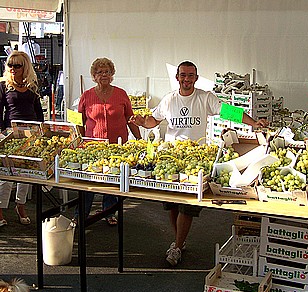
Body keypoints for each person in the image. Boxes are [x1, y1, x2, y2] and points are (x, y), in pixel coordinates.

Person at [129, 60, 268, 266]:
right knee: (172, 204)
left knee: (187, 206)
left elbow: (229, 111)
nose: (187, 79)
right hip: (172, 157)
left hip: (196, 158)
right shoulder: (169, 100)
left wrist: (253, 122)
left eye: (191, 75)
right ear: (177, 77)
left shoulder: (205, 98)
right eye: (183, 75)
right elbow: (154, 121)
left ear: (196, 77)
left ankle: (176, 245)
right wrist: (142, 122)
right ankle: (179, 241)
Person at [75, 57, 141, 225]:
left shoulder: (121, 94)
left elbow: (130, 118)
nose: (103, 75)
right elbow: (79, 121)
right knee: (88, 180)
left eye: (107, 72)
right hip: (93, 146)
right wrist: (80, 141)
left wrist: (140, 140)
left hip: (117, 146)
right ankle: (81, 214)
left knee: (113, 181)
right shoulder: (86, 96)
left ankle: (109, 212)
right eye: (99, 72)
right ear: (94, 75)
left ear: (112, 74)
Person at [0, 51, 44, 227]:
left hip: (32, 133)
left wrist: (42, 129)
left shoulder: (32, 85)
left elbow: (38, 109)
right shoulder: (4, 86)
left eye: (17, 65)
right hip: (11, 133)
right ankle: (1, 208)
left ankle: (21, 205)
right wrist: (2, 132)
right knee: (5, 175)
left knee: (26, 173)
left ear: (25, 67)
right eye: (10, 64)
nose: (13, 68)